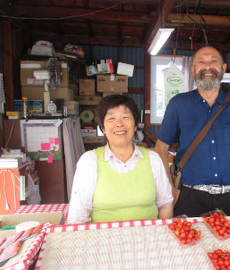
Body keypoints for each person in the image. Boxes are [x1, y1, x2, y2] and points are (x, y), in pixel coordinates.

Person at [155, 46, 230, 217]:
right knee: (187, 243)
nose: (207, 66)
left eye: (213, 61)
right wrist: (170, 189)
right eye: (201, 62)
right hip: (190, 197)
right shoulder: (178, 104)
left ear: (223, 69)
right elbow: (160, 149)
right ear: (193, 70)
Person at [68, 94, 173, 224]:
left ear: (135, 125)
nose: (119, 124)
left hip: (148, 240)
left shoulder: (153, 159)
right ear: (103, 128)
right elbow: (78, 217)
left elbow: (165, 205)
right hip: (104, 241)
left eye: (125, 117)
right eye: (111, 118)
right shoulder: (89, 161)